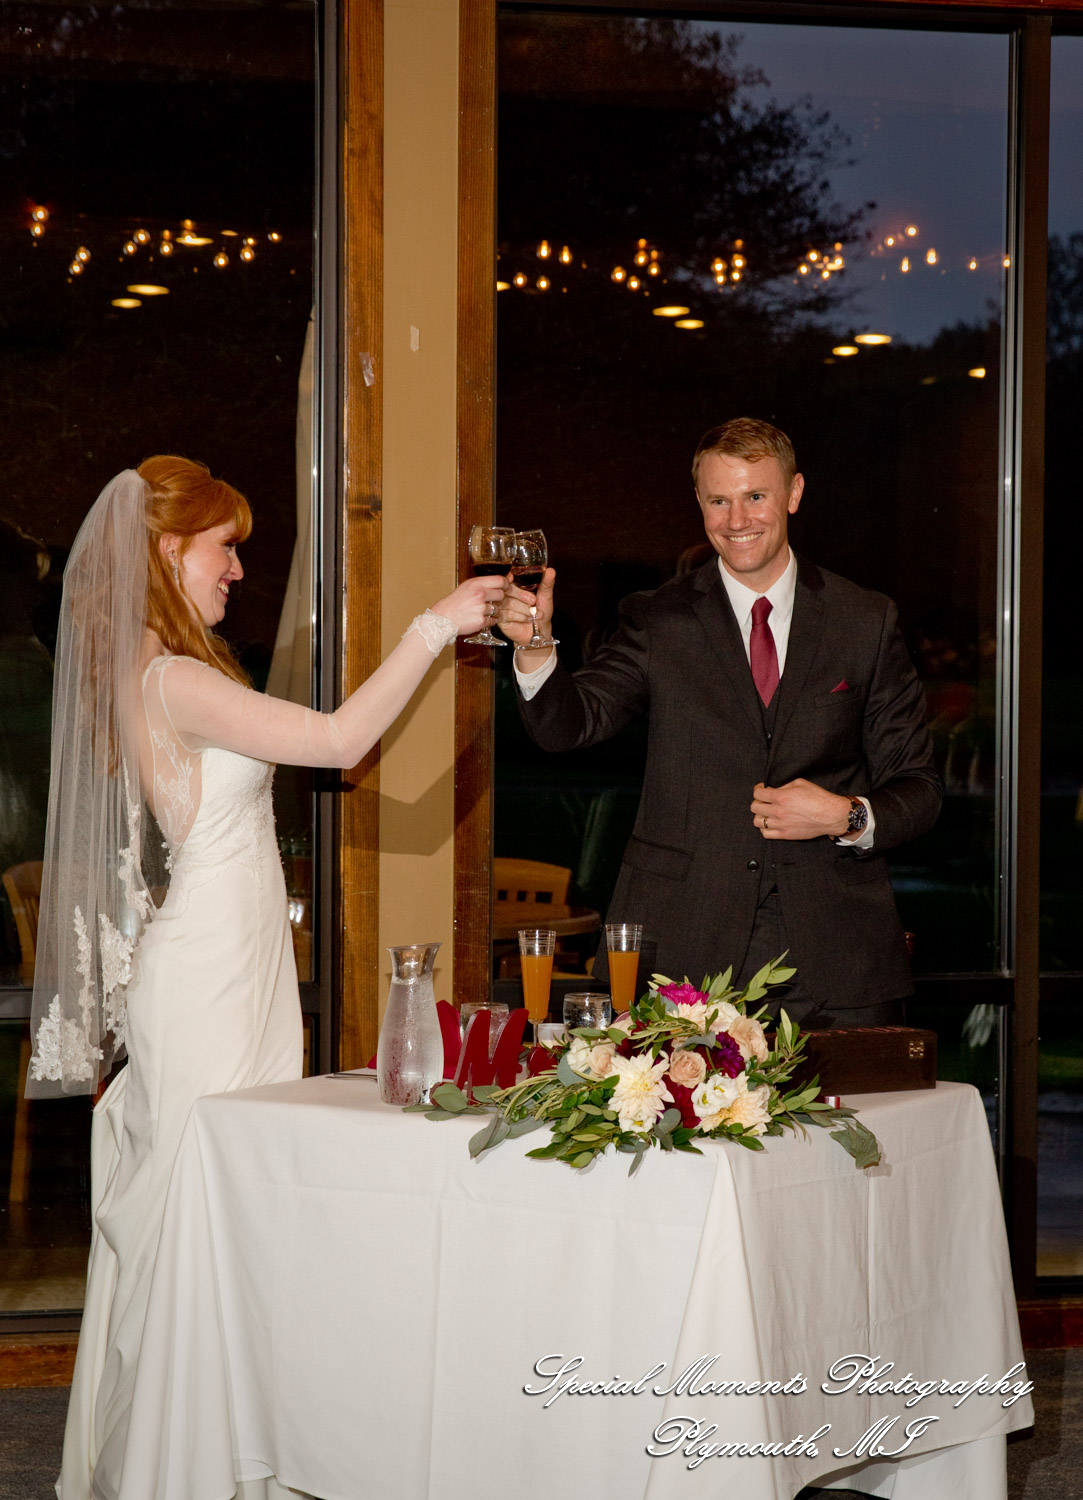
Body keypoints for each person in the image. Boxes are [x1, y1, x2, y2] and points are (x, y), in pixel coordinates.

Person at [29, 458, 505, 1500]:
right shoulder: (172, 680)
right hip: (212, 979)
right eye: (225, 548)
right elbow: (338, 740)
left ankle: (205, 1451)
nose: (239, 570)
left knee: (214, 1214)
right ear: (169, 551)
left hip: (230, 966)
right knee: (197, 1218)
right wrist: (437, 623)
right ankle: (182, 1466)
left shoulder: (154, 669)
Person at [500, 418, 941, 1027]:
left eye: (755, 496)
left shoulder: (865, 621)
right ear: (699, 503)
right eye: (718, 500)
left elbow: (919, 788)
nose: (737, 520)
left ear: (794, 493)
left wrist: (845, 816)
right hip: (685, 947)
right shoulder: (657, 619)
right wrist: (534, 644)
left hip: (837, 957)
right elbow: (568, 726)